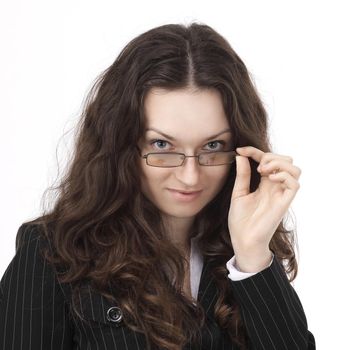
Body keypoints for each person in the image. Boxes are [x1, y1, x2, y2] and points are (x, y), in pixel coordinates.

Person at [0, 22, 316, 350]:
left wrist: (252, 257)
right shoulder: (54, 252)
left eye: (212, 147)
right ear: (122, 143)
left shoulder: (245, 256)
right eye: (162, 146)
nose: (190, 176)